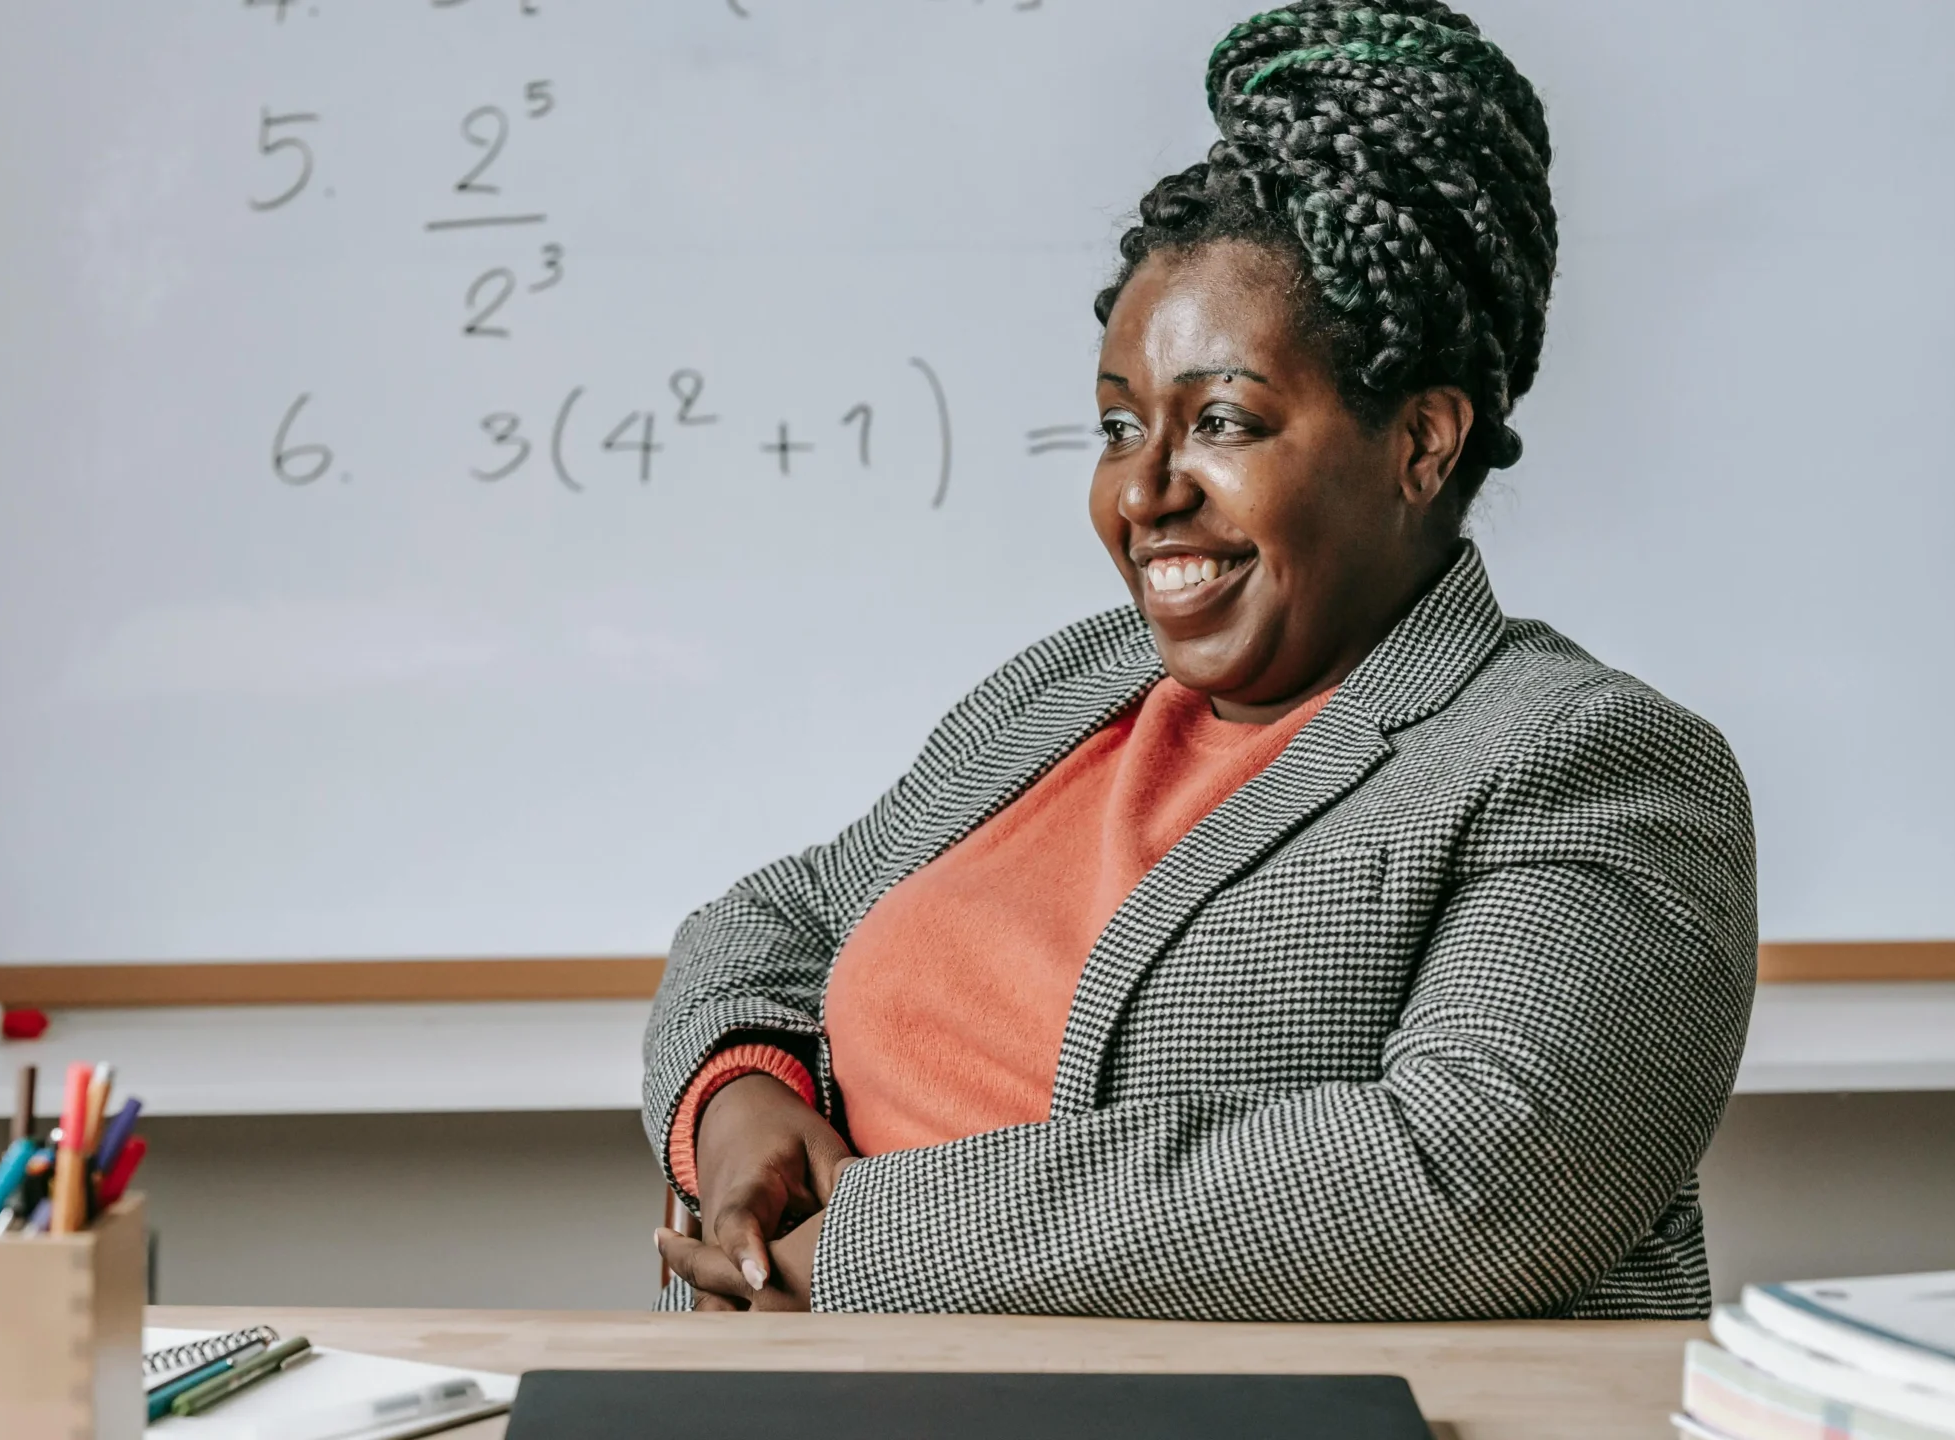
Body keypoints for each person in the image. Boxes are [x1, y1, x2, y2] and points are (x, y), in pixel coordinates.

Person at [646, 0, 1755, 1322]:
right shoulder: (1070, 692)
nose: (1144, 492)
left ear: (1423, 443)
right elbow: (772, 926)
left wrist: (866, 1249)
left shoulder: (1587, 765)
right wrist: (739, 1107)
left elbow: (1462, 1187)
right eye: (1119, 428)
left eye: (1222, 420)